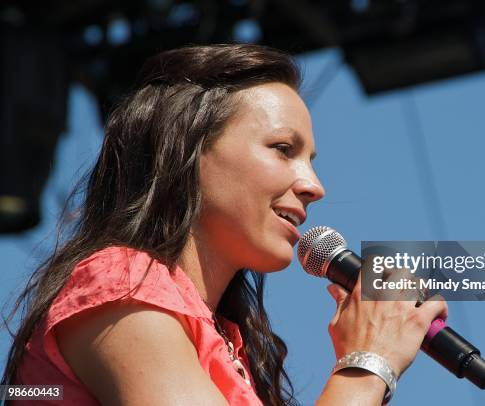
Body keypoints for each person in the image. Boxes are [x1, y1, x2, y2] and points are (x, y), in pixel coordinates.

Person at [1, 44, 448, 405]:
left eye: (310, 161)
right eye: (282, 148)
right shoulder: (120, 284)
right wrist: (367, 365)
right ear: (188, 154)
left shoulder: (226, 342)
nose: (314, 186)